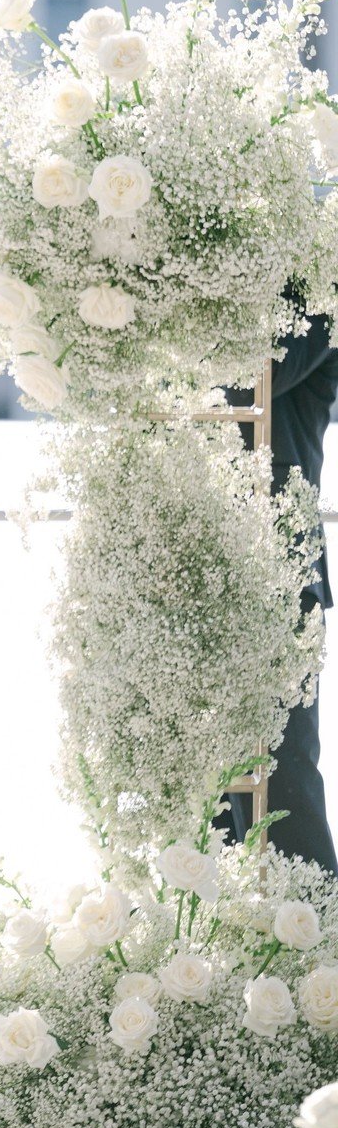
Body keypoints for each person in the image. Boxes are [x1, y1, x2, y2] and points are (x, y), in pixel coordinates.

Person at [216, 310, 338, 872]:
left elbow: (245, 383)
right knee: (201, 796)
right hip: (178, 553)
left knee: (280, 782)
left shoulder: (318, 296)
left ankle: (316, 947)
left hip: (276, 569)